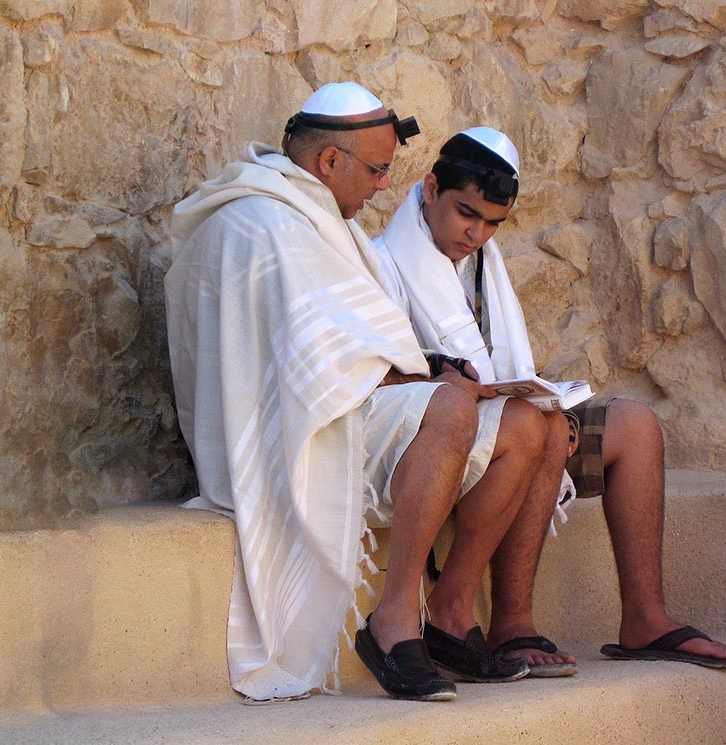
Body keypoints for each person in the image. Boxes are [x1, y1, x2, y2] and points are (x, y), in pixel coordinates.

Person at [164, 85, 552, 704]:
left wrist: (424, 372)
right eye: (375, 170)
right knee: (451, 406)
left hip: (329, 406)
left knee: (531, 426)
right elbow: (317, 372)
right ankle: (393, 620)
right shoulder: (267, 223)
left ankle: (450, 614)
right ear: (328, 162)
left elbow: (336, 348)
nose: (379, 188)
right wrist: (429, 379)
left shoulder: (302, 213)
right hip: (292, 435)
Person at [376, 127, 726, 674]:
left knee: (635, 427)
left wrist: (547, 401)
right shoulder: (383, 263)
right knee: (538, 428)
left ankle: (645, 619)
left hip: (507, 421)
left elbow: (504, 370)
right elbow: (386, 379)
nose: (477, 233)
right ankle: (511, 625)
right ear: (429, 188)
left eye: (493, 223)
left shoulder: (481, 264)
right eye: (466, 214)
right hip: (443, 441)